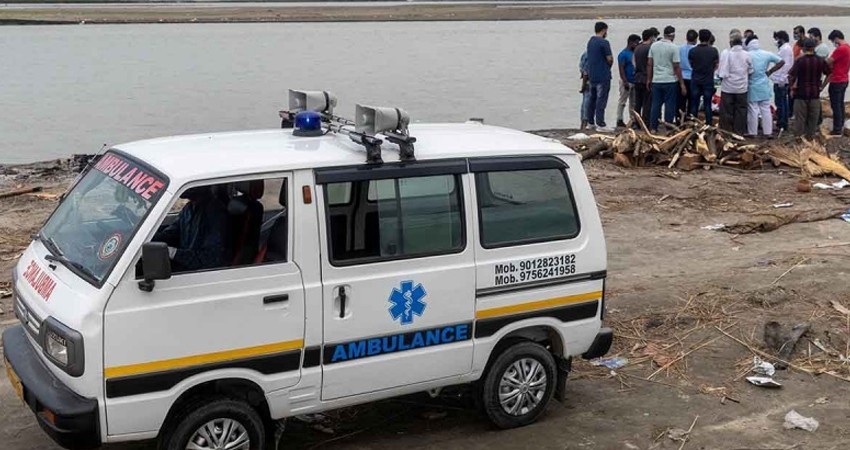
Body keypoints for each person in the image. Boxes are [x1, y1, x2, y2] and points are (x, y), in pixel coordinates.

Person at [153, 186, 230, 272]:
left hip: (198, 273)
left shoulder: (216, 215)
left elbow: (211, 259)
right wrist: (147, 238)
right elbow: (172, 233)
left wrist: (173, 253)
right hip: (184, 264)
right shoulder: (189, 207)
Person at [789, 38, 831, 137]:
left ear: (804, 48)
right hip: (815, 93)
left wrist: (791, 88)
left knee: (800, 119)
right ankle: (810, 138)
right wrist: (822, 86)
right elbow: (829, 74)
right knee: (813, 119)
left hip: (801, 93)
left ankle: (799, 139)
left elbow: (791, 75)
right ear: (814, 48)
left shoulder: (800, 61)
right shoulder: (820, 61)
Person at [647, 26, 686, 131]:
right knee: (670, 105)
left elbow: (649, 64)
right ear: (673, 36)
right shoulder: (674, 47)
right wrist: (682, 83)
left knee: (655, 105)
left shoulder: (654, 46)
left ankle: (653, 127)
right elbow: (676, 66)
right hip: (670, 80)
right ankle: (669, 128)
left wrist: (649, 79)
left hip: (657, 80)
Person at [745, 38, 785, 137]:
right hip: (764, 84)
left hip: (752, 85)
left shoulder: (747, 55)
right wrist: (770, 71)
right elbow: (781, 62)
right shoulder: (767, 54)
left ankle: (752, 132)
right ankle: (768, 132)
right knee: (766, 109)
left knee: (752, 109)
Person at [718, 30, 753, 135]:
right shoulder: (747, 55)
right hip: (742, 88)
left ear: (731, 43)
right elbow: (751, 71)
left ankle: (726, 131)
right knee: (741, 111)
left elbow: (721, 73)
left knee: (726, 111)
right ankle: (739, 132)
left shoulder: (726, 53)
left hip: (727, 88)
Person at [586, 21, 614, 131]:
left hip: (592, 74)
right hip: (603, 75)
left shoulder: (590, 42)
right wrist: (608, 66)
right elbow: (610, 59)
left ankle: (590, 122)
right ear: (604, 30)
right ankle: (601, 123)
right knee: (601, 99)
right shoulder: (604, 42)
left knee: (592, 99)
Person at [689, 29, 720, 123]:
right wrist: (710, 70)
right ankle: (709, 124)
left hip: (695, 79)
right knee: (707, 104)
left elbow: (691, 64)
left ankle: (693, 123)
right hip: (708, 80)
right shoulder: (713, 51)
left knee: (694, 104)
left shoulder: (693, 51)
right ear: (709, 38)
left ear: (699, 38)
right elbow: (716, 65)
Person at [633, 28, 659, 126]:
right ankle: (645, 122)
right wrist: (650, 78)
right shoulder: (650, 48)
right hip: (646, 78)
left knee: (638, 103)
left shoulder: (637, 48)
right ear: (651, 37)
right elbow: (650, 64)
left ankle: (636, 122)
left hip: (637, 77)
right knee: (647, 103)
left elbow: (634, 63)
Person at [827, 30, 850, 135]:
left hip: (837, 79)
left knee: (835, 104)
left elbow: (829, 61)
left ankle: (837, 128)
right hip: (844, 78)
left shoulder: (841, 49)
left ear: (836, 38)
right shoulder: (848, 47)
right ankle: (840, 124)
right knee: (840, 104)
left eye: (833, 40)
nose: (833, 43)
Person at [616, 34, 641, 128]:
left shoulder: (634, 53)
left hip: (635, 81)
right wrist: (625, 81)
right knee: (622, 101)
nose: (637, 45)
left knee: (633, 103)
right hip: (626, 81)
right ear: (631, 42)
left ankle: (633, 120)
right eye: (636, 43)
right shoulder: (623, 54)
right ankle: (619, 119)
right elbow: (621, 68)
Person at [771, 31, 794, 131]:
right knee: (782, 102)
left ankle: (782, 123)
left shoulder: (785, 49)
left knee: (781, 103)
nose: (776, 41)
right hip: (781, 79)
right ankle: (782, 122)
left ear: (781, 39)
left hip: (781, 80)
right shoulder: (785, 49)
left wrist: (782, 79)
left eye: (776, 39)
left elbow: (786, 66)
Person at [678, 29, 698, 119]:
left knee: (681, 102)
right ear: (695, 39)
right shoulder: (696, 49)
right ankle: (690, 120)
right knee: (692, 101)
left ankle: (679, 120)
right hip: (693, 77)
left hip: (681, 77)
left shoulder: (679, 48)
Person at [579, 51, 591, 130]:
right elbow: (586, 72)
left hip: (586, 80)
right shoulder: (591, 55)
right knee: (587, 101)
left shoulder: (585, 54)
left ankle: (583, 122)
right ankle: (586, 121)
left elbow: (582, 68)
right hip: (590, 81)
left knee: (585, 101)